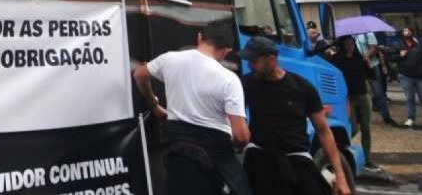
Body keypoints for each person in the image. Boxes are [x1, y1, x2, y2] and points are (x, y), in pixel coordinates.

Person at [133, 20, 251, 195]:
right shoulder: (229, 79)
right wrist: (240, 143)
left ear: (199, 38)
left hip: (178, 146)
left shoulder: (169, 59)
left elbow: (139, 75)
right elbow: (241, 136)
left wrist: (155, 105)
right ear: (226, 51)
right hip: (215, 152)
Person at [239, 37, 351, 195]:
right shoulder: (246, 84)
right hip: (260, 159)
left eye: (254, 61)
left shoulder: (302, 87)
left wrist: (340, 176)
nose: (250, 65)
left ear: (271, 59)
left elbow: (323, 131)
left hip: (296, 161)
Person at [328, 35, 381, 171]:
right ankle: (340, 154)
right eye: (347, 44)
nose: (350, 46)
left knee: (366, 128)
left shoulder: (360, 58)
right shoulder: (337, 60)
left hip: (362, 95)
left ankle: (367, 159)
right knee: (352, 128)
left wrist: (368, 63)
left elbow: (371, 76)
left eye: (352, 44)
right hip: (347, 98)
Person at [397, 27, 422, 129]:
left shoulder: (419, 44)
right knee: (409, 98)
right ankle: (410, 118)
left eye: (408, 30)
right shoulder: (399, 45)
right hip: (406, 75)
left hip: (420, 76)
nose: (406, 32)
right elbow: (393, 58)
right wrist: (400, 55)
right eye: (404, 31)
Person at [368, 43, 400, 127]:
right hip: (362, 66)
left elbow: (376, 50)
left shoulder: (369, 35)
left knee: (379, 93)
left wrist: (383, 65)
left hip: (373, 66)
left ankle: (386, 117)